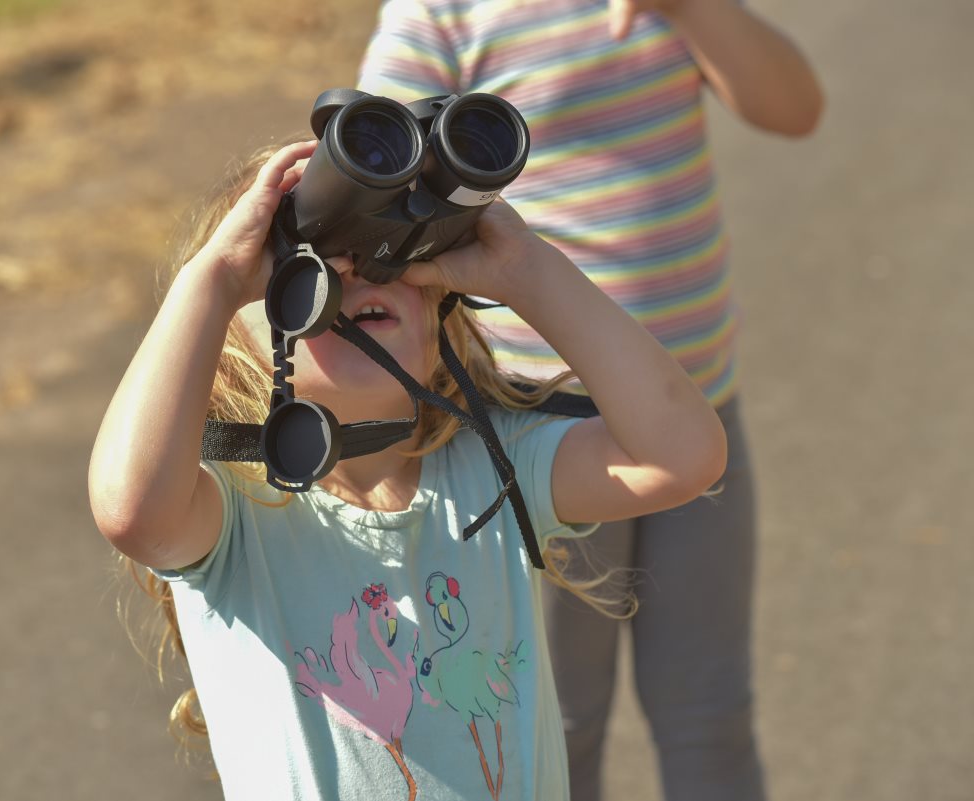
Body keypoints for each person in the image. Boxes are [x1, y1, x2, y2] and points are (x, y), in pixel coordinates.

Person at [87, 138, 727, 800]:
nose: (359, 271)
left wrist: (526, 270)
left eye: (393, 252)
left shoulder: (491, 467)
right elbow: (128, 508)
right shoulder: (230, 514)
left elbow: (682, 455)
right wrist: (215, 276)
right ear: (227, 342)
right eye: (303, 260)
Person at [356, 2, 824, 799]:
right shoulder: (445, 11)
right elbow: (374, 176)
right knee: (556, 726)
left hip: (699, 411)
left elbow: (796, 109)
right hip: (544, 441)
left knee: (710, 712)